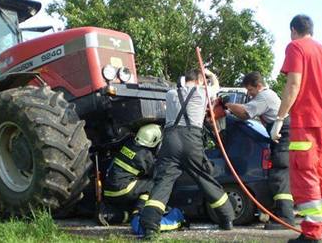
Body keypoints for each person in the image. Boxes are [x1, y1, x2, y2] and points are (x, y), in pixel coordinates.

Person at [139, 69, 235, 240]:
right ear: (200, 80)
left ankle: (150, 228)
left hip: (170, 141)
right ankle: (226, 219)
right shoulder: (202, 91)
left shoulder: (169, 94)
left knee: (163, 182)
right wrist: (210, 74)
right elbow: (216, 86)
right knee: (204, 178)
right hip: (192, 139)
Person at [271, 15, 322, 243]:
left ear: (293, 30)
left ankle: (311, 234)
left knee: (305, 174)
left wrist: (280, 118)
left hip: (305, 124)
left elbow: (293, 84)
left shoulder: (296, 47)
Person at [225, 71, 295, 230]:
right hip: (282, 135)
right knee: (279, 175)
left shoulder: (264, 97)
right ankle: (281, 213)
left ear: (258, 86)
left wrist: (227, 105)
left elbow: (244, 113)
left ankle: (285, 218)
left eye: (250, 90)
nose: (249, 94)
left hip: (284, 135)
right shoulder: (267, 96)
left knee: (279, 174)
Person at [99, 124, 162, 225]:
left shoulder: (129, 144)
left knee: (128, 207)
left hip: (109, 191)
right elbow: (156, 174)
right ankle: (139, 213)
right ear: (154, 140)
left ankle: (113, 216)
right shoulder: (145, 156)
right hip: (123, 189)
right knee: (152, 185)